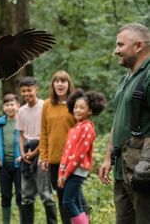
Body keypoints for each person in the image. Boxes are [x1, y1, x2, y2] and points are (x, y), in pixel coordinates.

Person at [99, 23, 150, 224]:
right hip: (121, 170)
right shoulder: (125, 78)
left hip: (142, 172)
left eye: (120, 45)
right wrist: (107, 158)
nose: (116, 50)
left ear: (138, 46)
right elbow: (118, 119)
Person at [39, 70, 89, 223]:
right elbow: (44, 131)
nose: (60, 84)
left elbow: (83, 130)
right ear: (53, 84)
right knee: (62, 198)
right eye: (57, 81)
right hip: (54, 160)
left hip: (72, 161)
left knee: (74, 197)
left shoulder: (76, 105)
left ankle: (84, 220)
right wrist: (44, 156)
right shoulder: (47, 104)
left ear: (69, 85)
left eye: (63, 81)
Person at [58, 89, 106, 224]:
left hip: (77, 170)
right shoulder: (74, 129)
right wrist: (61, 172)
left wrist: (66, 174)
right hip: (69, 170)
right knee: (76, 202)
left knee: (68, 202)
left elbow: (79, 155)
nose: (77, 110)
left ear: (90, 111)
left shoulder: (87, 128)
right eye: (75, 107)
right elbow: (66, 154)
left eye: (81, 108)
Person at [17, 77, 57, 224]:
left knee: (45, 193)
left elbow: (47, 133)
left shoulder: (44, 106)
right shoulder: (21, 110)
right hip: (26, 151)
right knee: (26, 195)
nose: (27, 93)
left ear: (36, 89)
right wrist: (22, 153)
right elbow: (20, 134)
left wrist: (35, 153)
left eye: (29, 90)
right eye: (23, 91)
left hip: (42, 150)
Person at [0, 94, 22, 224]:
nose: (9, 107)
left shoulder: (22, 122)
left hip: (20, 164)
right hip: (4, 165)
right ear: (4, 107)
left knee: (21, 195)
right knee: (5, 195)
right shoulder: (0, 123)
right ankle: (6, 221)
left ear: (18, 106)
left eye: (12, 104)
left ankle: (23, 220)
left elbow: (28, 139)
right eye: (7, 105)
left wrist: (25, 155)